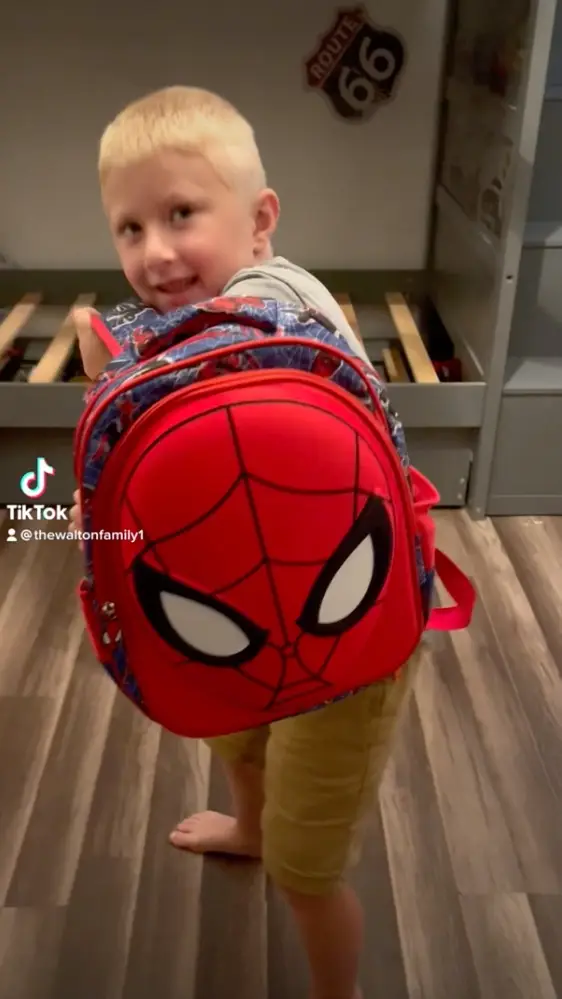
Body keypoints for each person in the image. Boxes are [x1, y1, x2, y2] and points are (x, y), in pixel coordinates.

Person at [72, 85, 418, 999]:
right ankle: (250, 824)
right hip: (244, 603)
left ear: (261, 221)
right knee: (236, 726)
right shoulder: (210, 313)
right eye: (130, 228)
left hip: (348, 631)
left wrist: (110, 375)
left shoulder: (262, 314)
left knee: (308, 871)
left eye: (181, 214)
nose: (154, 252)